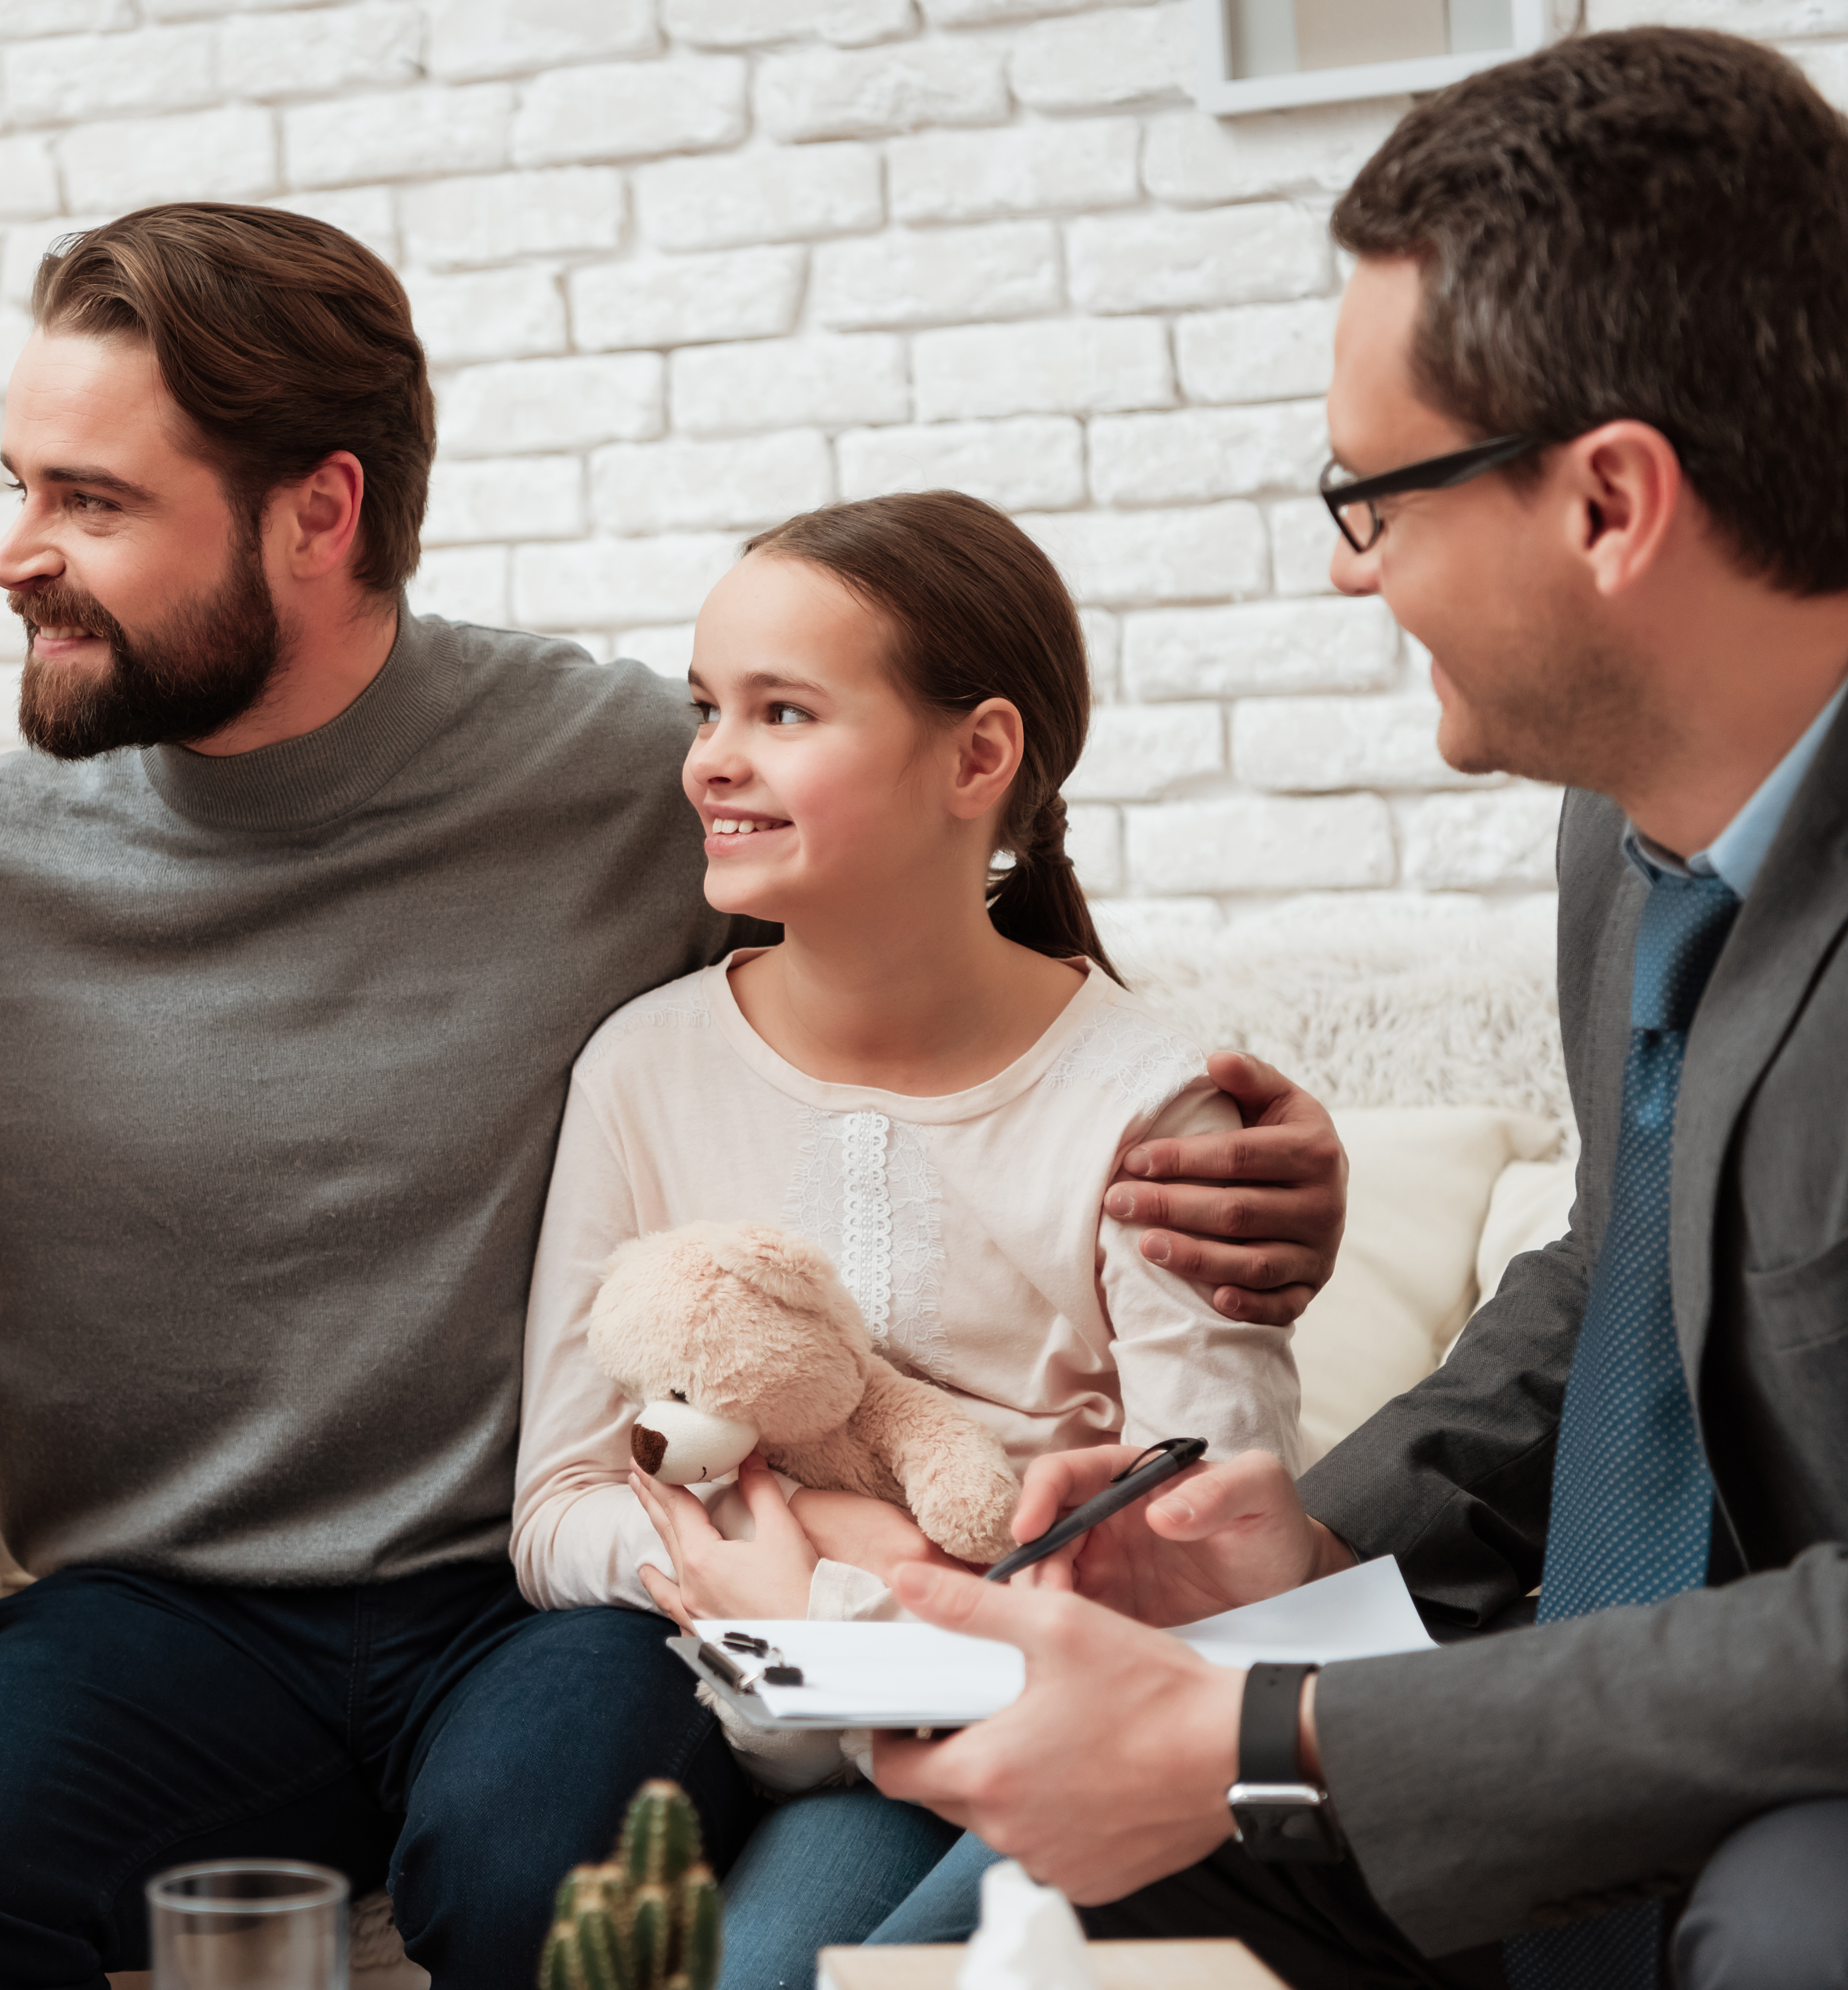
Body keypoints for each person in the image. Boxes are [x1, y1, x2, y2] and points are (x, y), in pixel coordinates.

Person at [0, 202, 1354, 1987]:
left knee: (544, 1868)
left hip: (535, 1597)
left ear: (319, 512)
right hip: (150, 1619)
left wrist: (1243, 1146)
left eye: (89, 502)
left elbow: (940, 926)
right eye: (18, 485)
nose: (15, 553)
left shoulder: (644, 775)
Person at [850, 29, 1848, 1990]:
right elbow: (1625, 1280)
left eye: (1369, 497)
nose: (1340, 569)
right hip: (1631, 1701)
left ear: (1607, 504)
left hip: (1793, 1784)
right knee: (1034, 1890)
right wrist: (1292, 1548)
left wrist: (1265, 1730)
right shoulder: (1626, 823)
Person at [513, 492, 1305, 1990]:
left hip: (1075, 1741)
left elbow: (1214, 1588)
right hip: (824, 1756)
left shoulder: (1161, 1118)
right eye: (706, 708)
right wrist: (769, 1572)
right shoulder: (643, 1068)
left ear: (980, 755)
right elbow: (558, 1509)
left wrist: (826, 1598)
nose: (711, 761)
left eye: (784, 711)